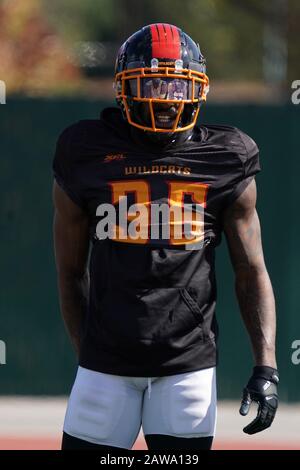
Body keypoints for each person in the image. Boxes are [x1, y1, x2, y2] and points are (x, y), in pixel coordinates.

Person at [53, 23, 279, 451]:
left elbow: (252, 271)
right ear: (123, 90)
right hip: (106, 365)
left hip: (187, 367)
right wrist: (92, 355)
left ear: (199, 91)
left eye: (176, 86)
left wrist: (266, 366)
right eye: (152, 84)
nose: (163, 99)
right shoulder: (84, 151)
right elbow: (69, 273)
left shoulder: (228, 156)